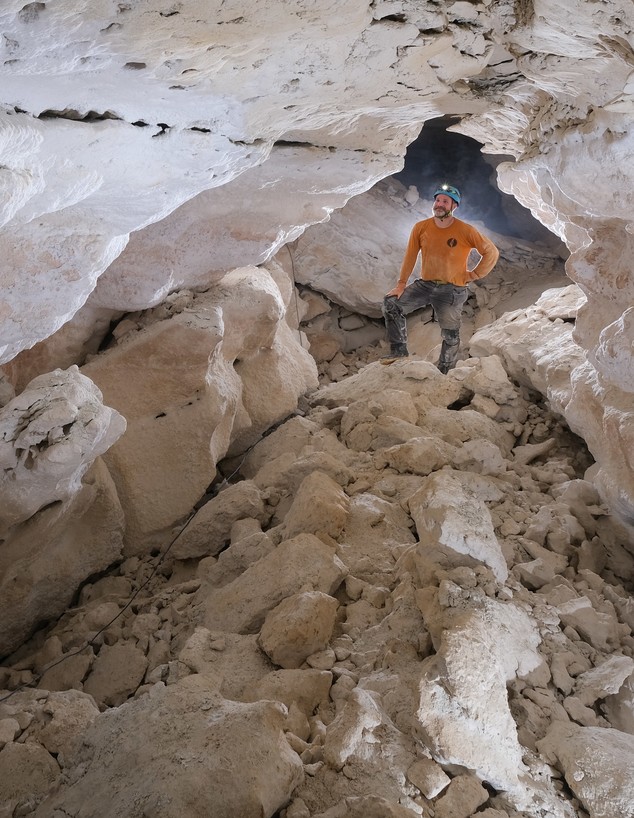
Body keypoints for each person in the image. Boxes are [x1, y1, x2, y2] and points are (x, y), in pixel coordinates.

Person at [381, 183, 500, 372]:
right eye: (437, 200)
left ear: (454, 206)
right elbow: (410, 256)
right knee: (391, 304)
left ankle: (445, 370)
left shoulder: (465, 230)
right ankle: (398, 351)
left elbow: (491, 252)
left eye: (445, 201)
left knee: (450, 335)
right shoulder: (421, 227)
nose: (439, 204)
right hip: (425, 285)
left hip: (452, 289)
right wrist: (401, 284)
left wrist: (475, 274)